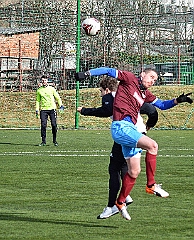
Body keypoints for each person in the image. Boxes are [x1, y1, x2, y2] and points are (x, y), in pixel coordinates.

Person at [75, 67, 193, 220]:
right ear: (142, 74)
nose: (152, 81)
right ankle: (151, 185)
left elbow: (162, 105)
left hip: (130, 130)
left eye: (155, 80)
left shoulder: (146, 94)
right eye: (151, 77)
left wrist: (178, 100)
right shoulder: (129, 79)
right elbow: (109, 71)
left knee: (134, 171)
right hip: (121, 127)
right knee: (153, 146)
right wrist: (87, 73)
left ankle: (119, 202)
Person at [77, 76, 158, 219]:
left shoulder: (111, 96)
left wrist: (84, 111)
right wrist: (148, 126)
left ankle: (112, 206)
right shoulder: (129, 95)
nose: (101, 94)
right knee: (125, 166)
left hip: (127, 134)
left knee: (114, 168)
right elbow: (152, 110)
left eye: (101, 91)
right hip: (136, 133)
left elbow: (106, 110)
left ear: (107, 89)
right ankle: (125, 198)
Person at [36, 75, 64, 146]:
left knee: (54, 125)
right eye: (42, 81)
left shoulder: (52, 89)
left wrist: (61, 105)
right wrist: (37, 109)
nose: (43, 82)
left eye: (45, 80)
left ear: (47, 80)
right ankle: (43, 141)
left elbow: (58, 98)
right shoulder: (39, 90)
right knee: (43, 125)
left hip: (52, 109)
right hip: (43, 110)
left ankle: (55, 141)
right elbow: (38, 101)